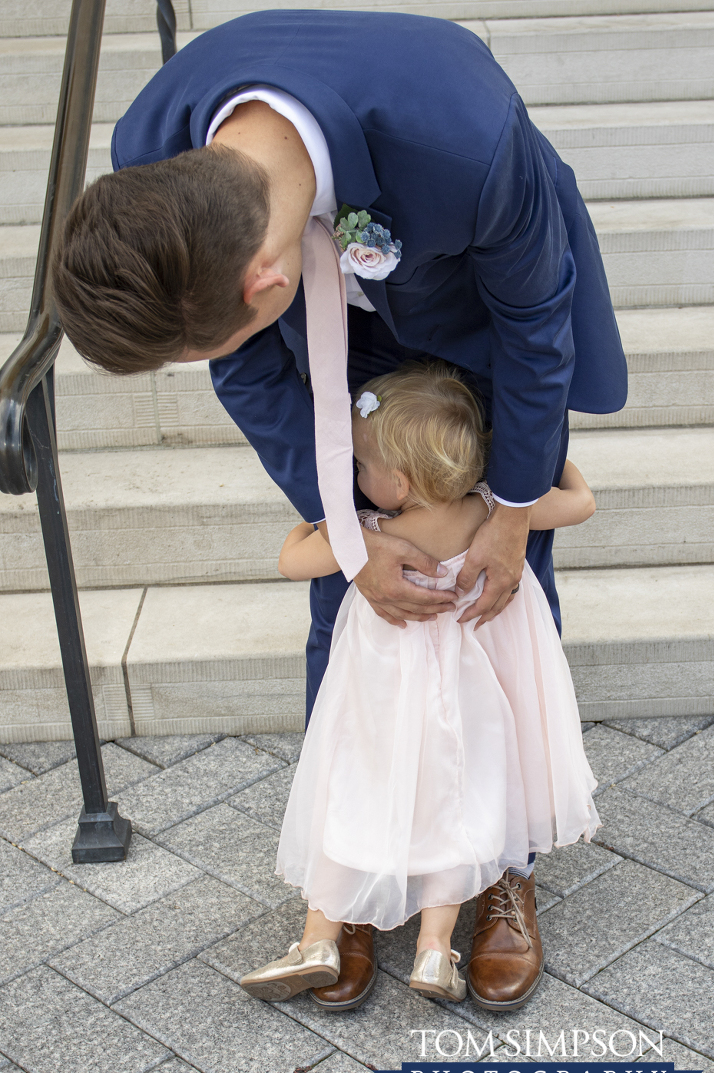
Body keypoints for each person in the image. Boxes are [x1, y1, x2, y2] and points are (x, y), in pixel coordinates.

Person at [52, 9, 626, 1009]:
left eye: (199, 347)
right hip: (344, 370)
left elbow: (537, 325)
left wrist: (515, 508)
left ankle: (501, 869)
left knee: (501, 598)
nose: (208, 367)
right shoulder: (156, 161)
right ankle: (353, 871)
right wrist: (349, 536)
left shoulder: (462, 136)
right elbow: (248, 372)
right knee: (355, 614)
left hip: (484, 337)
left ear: (265, 278)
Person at [239, 361, 599, 1011]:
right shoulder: (489, 511)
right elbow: (582, 503)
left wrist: (320, 529)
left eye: (360, 466)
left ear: (396, 482)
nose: (355, 479)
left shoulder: (375, 532)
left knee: (352, 790)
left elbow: (292, 560)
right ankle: (437, 949)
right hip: (468, 704)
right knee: (459, 807)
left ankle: (320, 936)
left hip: (385, 700)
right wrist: (554, 465)